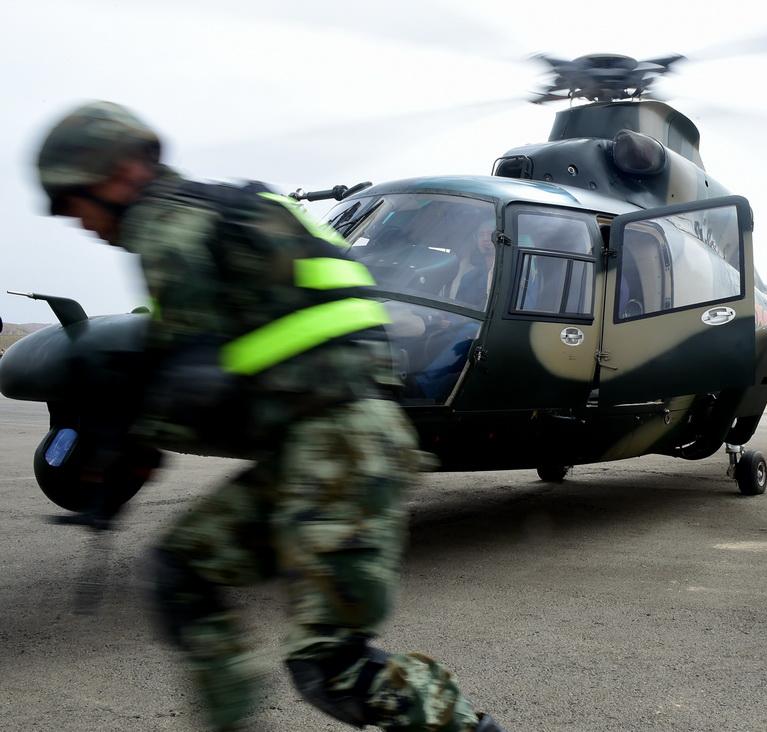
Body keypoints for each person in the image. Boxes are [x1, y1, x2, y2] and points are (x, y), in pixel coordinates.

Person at [35, 101, 505, 731]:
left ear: (115, 175)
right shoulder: (242, 207)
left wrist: (124, 445)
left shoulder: (166, 228)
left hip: (337, 449)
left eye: (72, 200)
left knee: (332, 665)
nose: (76, 220)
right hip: (330, 446)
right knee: (183, 570)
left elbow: (193, 372)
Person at [454, 225, 495, 309]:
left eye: (490, 234)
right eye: (481, 235)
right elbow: (458, 310)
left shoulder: (516, 273)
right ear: (477, 241)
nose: (485, 238)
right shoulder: (468, 277)